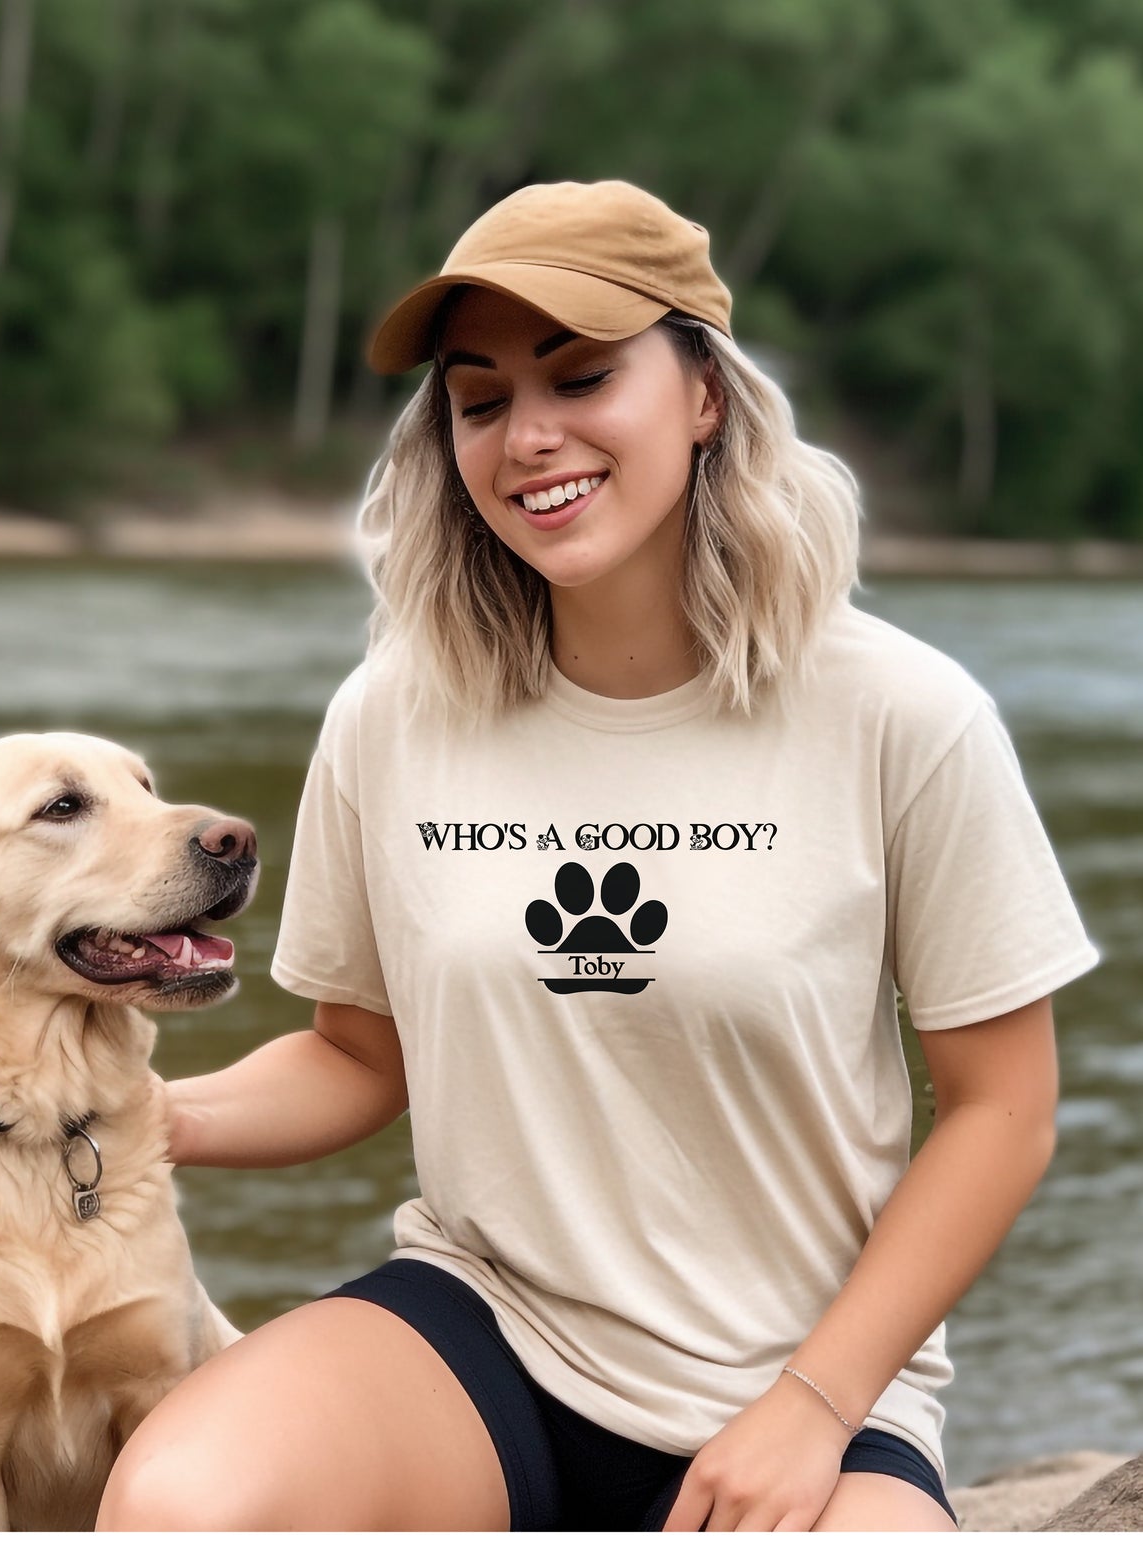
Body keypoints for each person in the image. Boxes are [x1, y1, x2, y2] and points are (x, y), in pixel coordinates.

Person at [97, 180, 1099, 1532]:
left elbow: (1001, 1110)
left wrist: (812, 1405)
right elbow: (357, 1055)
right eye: (482, 399)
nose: (530, 436)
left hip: (807, 1381)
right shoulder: (391, 713)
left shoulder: (899, 713)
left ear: (702, 394)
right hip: (487, 1332)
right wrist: (137, 1122)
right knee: (179, 1503)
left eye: (580, 377)